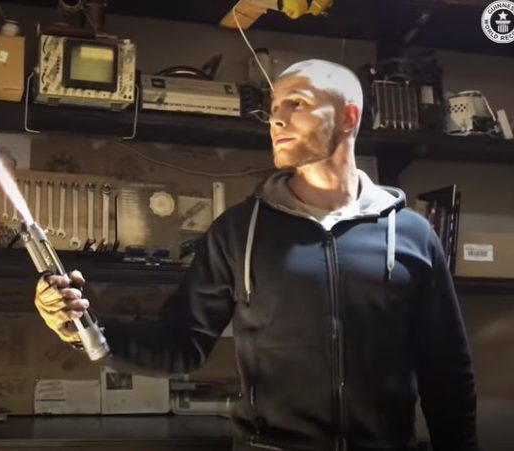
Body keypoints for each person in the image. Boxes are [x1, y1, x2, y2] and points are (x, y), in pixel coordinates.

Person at [34, 59, 478, 451]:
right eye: (274, 108)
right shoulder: (238, 231)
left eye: (297, 103)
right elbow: (180, 344)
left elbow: (447, 371)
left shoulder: (413, 234)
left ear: (348, 116)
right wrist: (85, 329)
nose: (276, 119)